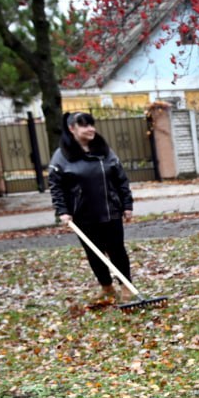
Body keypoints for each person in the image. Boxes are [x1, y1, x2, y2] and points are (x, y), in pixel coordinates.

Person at [48, 112, 135, 304]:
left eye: (92, 125)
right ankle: (107, 287)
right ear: (72, 129)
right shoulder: (62, 156)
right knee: (94, 253)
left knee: (117, 251)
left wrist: (127, 204)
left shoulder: (104, 150)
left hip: (110, 210)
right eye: (85, 126)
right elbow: (56, 186)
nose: (91, 129)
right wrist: (63, 211)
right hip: (83, 215)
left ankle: (126, 287)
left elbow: (120, 178)